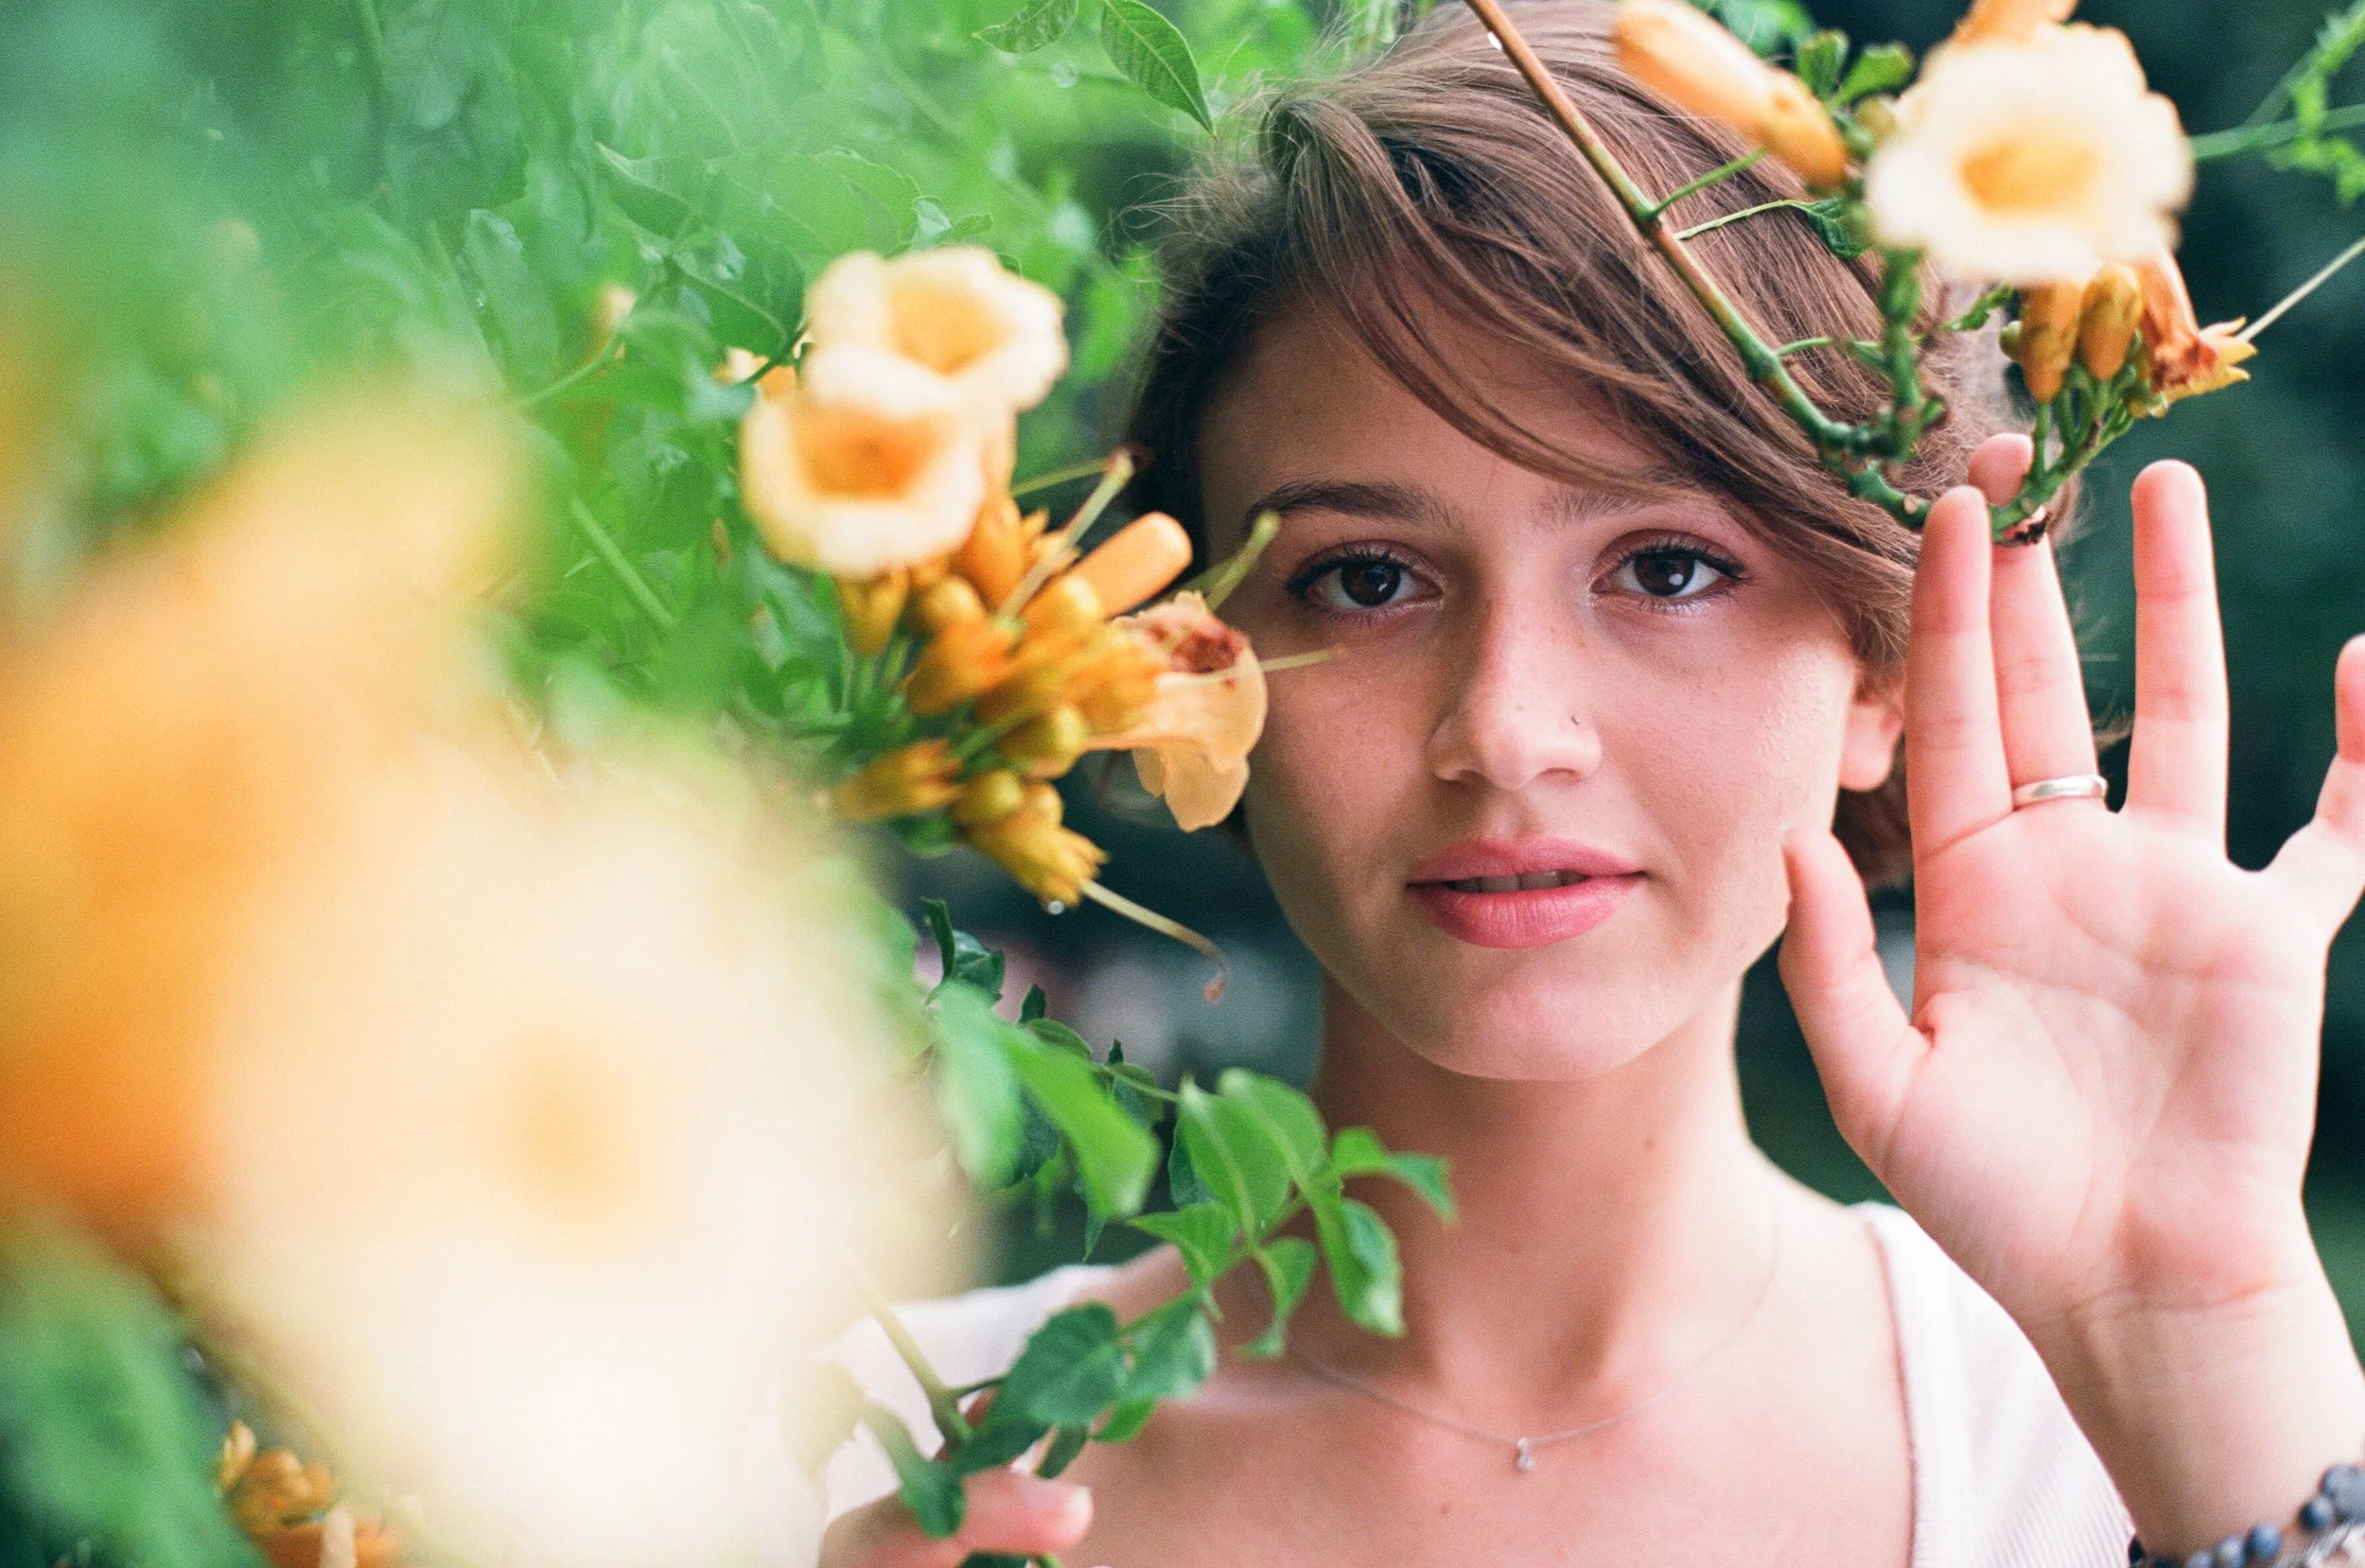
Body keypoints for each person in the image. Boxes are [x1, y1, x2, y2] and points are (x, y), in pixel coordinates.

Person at [816, 5, 2365, 1564]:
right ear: (1180, 655)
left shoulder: (2118, 1451)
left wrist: (2195, 1336)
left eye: (1669, 566)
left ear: (1890, 667)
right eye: (1364, 579)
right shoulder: (858, 1449)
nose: (1506, 727)